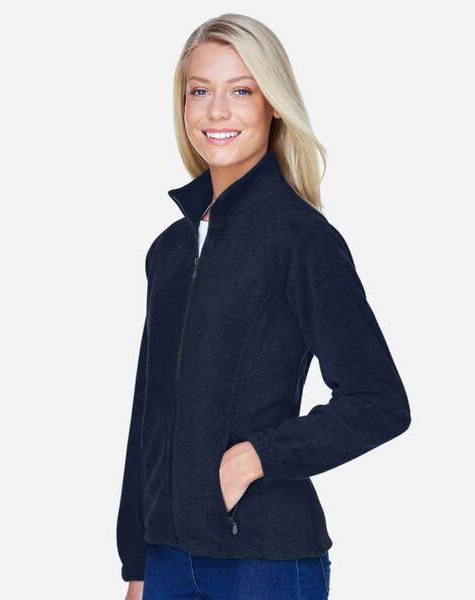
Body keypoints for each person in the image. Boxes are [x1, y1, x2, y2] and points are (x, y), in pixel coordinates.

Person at [116, 13, 411, 600]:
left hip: (264, 564)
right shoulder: (170, 250)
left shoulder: (300, 238)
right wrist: (137, 565)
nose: (216, 112)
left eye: (241, 91)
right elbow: (147, 414)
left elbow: (379, 402)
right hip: (166, 561)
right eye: (200, 91)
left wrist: (255, 458)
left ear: (273, 104)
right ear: (183, 105)